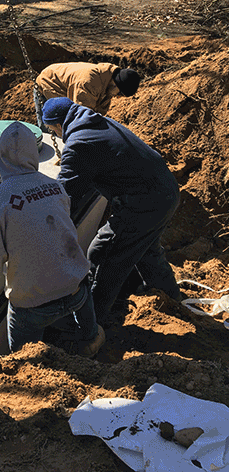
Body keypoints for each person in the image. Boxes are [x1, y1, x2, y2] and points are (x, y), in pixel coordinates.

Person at [0, 121, 105, 357]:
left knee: (22, 361)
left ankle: (27, 370)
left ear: (0, 156)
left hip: (33, 306)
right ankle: (91, 343)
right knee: (90, 334)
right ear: (35, 154)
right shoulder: (55, 186)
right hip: (77, 291)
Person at [41, 97, 182, 326]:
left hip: (143, 202)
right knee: (146, 249)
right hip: (165, 191)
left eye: (51, 130)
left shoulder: (79, 143)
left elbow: (65, 196)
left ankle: (90, 323)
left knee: (102, 252)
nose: (55, 135)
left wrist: (42, 225)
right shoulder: (95, 123)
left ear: (57, 124)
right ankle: (172, 297)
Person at [35, 62, 141, 121]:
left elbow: (97, 114)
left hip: (67, 88)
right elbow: (80, 116)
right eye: (120, 94)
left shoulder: (107, 83)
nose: (118, 97)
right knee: (51, 128)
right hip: (48, 83)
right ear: (115, 84)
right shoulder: (88, 82)